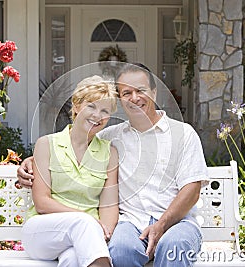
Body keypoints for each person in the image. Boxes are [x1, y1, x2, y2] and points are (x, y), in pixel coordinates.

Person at [18, 63, 208, 266]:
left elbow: (192, 189)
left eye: (141, 90)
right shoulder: (113, 137)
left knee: (174, 245)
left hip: (177, 223)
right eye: (127, 93)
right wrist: (31, 161)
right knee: (121, 250)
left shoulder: (184, 134)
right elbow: (77, 140)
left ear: (154, 93)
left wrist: (161, 225)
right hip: (132, 223)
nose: (134, 98)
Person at [21, 75, 119, 267]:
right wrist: (85, 218)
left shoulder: (110, 153)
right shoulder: (47, 144)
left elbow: (109, 206)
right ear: (75, 106)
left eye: (104, 110)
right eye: (91, 106)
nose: (97, 116)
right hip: (42, 231)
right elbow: (42, 202)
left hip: (87, 234)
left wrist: (104, 231)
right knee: (82, 225)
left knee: (73, 260)